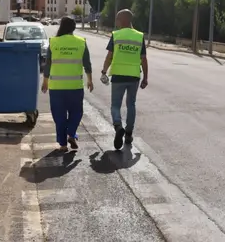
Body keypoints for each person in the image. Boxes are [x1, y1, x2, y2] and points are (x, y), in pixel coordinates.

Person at [41, 16, 93, 152]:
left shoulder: (54, 42)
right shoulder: (81, 42)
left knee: (59, 116)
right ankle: (71, 133)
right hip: (75, 86)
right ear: (74, 28)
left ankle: (63, 144)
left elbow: (48, 65)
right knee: (77, 112)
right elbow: (87, 64)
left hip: (56, 87)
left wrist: (45, 82)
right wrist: (90, 80)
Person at [100, 9, 148, 150]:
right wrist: (146, 77)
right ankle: (128, 134)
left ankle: (118, 126)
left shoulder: (116, 35)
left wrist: (104, 71)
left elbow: (109, 56)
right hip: (134, 76)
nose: (116, 22)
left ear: (123, 20)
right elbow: (144, 60)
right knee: (131, 104)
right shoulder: (139, 36)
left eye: (117, 19)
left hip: (118, 76)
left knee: (115, 105)